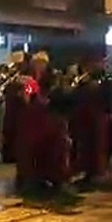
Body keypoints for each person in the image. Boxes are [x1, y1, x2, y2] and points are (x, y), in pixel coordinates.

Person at [16, 51, 71, 197]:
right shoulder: (30, 77)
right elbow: (27, 100)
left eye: (41, 63)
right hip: (33, 118)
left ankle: (54, 180)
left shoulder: (54, 78)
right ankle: (33, 179)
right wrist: (26, 91)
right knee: (30, 150)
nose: (38, 66)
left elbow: (55, 98)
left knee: (52, 151)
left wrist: (37, 91)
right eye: (35, 63)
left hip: (50, 119)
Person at [69, 53, 111, 186]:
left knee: (97, 145)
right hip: (84, 117)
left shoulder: (106, 80)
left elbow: (109, 97)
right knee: (85, 145)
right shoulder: (81, 81)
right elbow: (74, 96)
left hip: (98, 117)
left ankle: (97, 172)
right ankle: (85, 171)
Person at [1, 51, 26, 164]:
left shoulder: (28, 76)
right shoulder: (10, 76)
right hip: (10, 107)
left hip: (20, 108)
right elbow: (3, 90)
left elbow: (32, 90)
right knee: (8, 130)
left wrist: (22, 92)